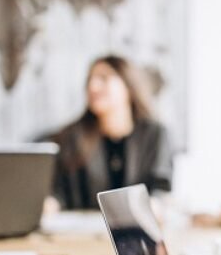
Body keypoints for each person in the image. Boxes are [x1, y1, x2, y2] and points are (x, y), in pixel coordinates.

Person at [49, 55, 173, 210]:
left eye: (104, 78)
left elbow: (161, 188)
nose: (93, 86)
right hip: (83, 224)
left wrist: (155, 205)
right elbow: (59, 192)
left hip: (137, 222)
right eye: (90, 80)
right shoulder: (71, 137)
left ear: (128, 86)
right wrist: (51, 203)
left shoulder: (154, 135)